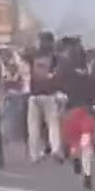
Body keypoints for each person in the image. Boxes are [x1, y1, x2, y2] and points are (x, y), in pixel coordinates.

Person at [56, 47, 95, 189]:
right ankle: (87, 173)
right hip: (87, 114)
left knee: (74, 143)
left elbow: (59, 95)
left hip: (71, 114)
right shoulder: (92, 79)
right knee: (86, 144)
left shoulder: (66, 79)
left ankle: (75, 158)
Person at [23, 32, 61, 163]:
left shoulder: (33, 55)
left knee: (33, 126)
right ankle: (55, 149)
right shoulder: (55, 57)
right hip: (50, 95)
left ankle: (34, 155)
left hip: (34, 95)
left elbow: (23, 54)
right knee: (53, 124)